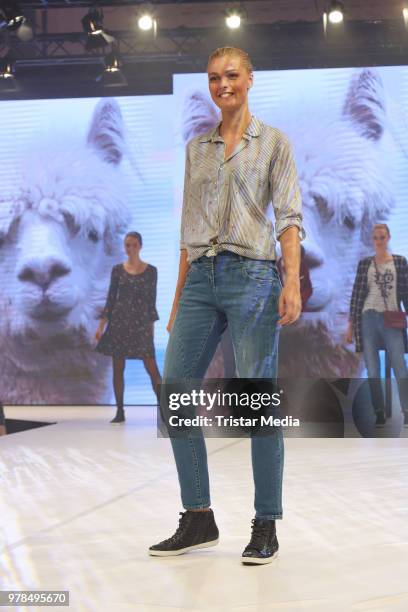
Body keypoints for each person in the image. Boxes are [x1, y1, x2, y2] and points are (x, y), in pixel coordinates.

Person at [148, 47, 304, 564]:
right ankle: (198, 518)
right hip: (200, 279)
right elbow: (187, 232)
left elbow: (288, 218)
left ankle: (266, 523)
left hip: (252, 276)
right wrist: (176, 300)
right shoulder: (198, 148)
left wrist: (292, 280)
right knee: (175, 392)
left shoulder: (274, 143)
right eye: (214, 78)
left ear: (250, 79)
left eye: (231, 75)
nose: (223, 84)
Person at [95, 232, 162, 423]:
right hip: (119, 324)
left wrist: (151, 331)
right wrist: (101, 327)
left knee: (152, 368)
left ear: (140, 246)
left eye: (133, 245)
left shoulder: (151, 271)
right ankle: (120, 411)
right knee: (118, 368)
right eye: (126, 245)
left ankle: (166, 410)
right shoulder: (117, 270)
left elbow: (151, 303)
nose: (129, 249)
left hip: (141, 325)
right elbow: (110, 300)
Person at [347, 223, 408, 426]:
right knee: (373, 368)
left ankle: (406, 410)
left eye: (382, 237)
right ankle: (379, 412)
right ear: (372, 240)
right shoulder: (365, 264)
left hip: (391, 318)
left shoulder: (399, 262)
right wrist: (350, 326)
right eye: (375, 237)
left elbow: (406, 293)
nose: (379, 241)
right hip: (368, 318)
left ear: (388, 238)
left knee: (400, 366)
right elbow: (356, 295)